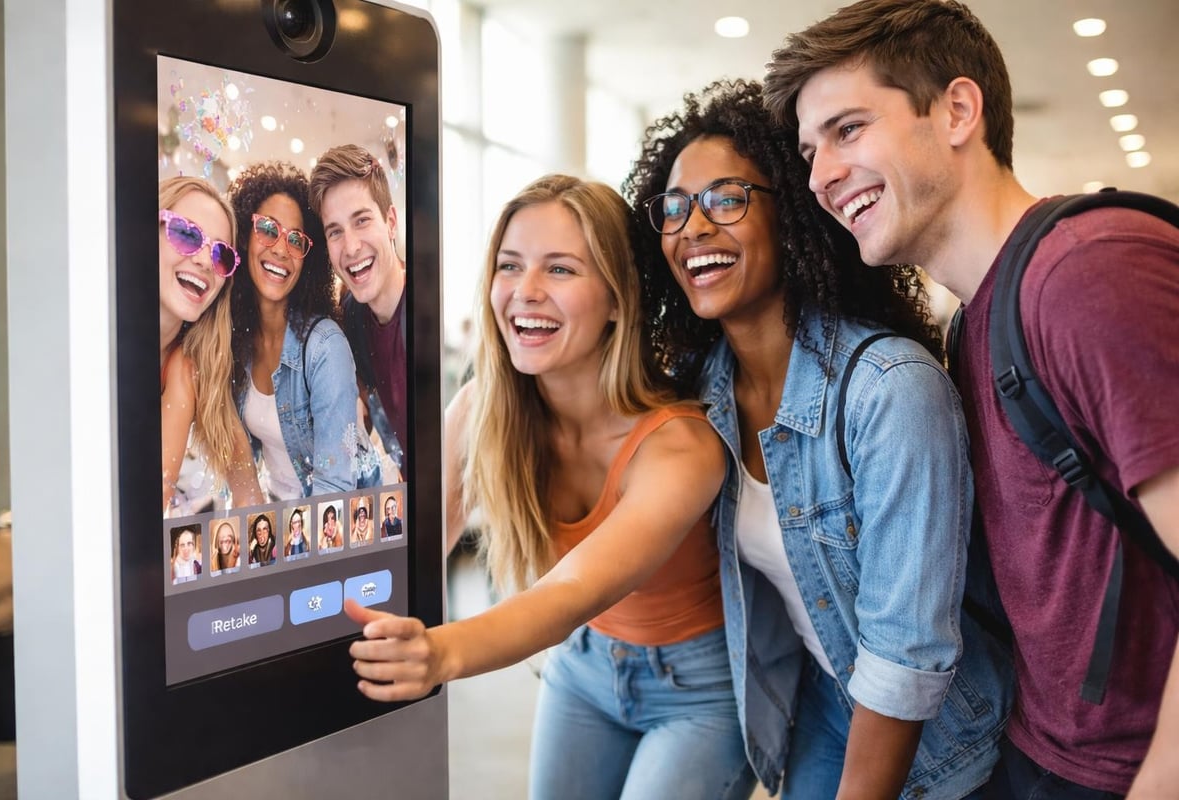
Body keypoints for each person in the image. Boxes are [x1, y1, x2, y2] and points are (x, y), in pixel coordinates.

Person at [764, 2, 1179, 797]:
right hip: (1036, 754)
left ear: (957, 110)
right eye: (811, 151)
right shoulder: (975, 324)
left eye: (848, 129)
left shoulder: (1087, 274)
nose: (819, 177)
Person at [623, 79, 1012, 800]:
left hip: (937, 741)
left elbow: (904, 658)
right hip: (824, 703)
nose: (692, 227)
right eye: (674, 208)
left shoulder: (891, 390)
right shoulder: (701, 386)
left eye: (726, 199)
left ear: (793, 212)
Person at [343, 175, 754, 800]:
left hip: (698, 692)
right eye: (510, 266)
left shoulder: (682, 445)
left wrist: (441, 653)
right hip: (586, 668)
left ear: (618, 300)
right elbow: (417, 542)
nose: (526, 292)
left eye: (560, 269)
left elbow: (572, 590)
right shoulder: (484, 408)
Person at [227, 161, 379, 501]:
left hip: (339, 526)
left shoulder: (325, 346)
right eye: (267, 229)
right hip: (279, 518)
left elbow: (335, 491)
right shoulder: (237, 339)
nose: (281, 249)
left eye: (295, 239)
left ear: (307, 260)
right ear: (244, 236)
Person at [158, 177, 262, 514]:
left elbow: (248, 491)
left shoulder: (190, 368)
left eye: (220, 255)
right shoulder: (90, 344)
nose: (205, 261)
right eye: (186, 234)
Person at [308, 145, 407, 473]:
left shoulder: (427, 310)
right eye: (335, 231)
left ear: (390, 222)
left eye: (362, 220)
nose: (350, 247)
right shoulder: (350, 315)